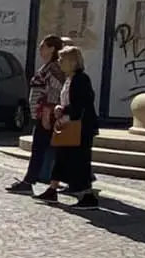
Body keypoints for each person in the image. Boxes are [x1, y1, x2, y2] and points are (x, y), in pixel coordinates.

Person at [40, 45, 100, 209]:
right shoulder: (69, 79)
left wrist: (63, 109)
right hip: (67, 124)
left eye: (62, 59)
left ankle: (87, 196)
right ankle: (52, 190)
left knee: (79, 160)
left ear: (72, 62)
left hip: (80, 127)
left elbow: (82, 103)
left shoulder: (81, 79)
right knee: (61, 157)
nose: (59, 62)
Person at [7, 35, 68, 194]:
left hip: (46, 115)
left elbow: (54, 91)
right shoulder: (48, 66)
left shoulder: (54, 68)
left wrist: (47, 112)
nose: (40, 50)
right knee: (42, 149)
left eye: (43, 47)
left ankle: (30, 181)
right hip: (41, 115)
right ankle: (33, 180)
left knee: (41, 148)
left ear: (52, 49)